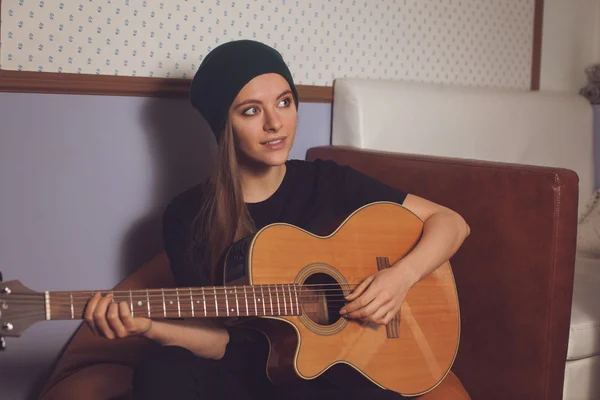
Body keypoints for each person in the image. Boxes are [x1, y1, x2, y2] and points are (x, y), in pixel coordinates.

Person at [83, 40, 471, 400]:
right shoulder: (188, 216)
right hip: (251, 368)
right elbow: (219, 342)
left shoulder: (327, 181)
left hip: (338, 364)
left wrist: (400, 278)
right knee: (160, 371)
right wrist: (147, 327)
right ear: (224, 125)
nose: (275, 123)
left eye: (284, 102)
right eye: (251, 110)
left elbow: (451, 222)